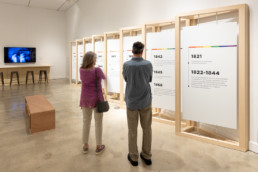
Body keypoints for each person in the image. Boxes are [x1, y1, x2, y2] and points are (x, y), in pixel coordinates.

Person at [123, 42, 153, 166]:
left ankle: (134, 157)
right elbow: (150, 79)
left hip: (131, 101)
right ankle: (146, 156)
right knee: (147, 129)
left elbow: (126, 79)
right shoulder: (148, 64)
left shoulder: (127, 65)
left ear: (132, 50)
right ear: (142, 51)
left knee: (132, 130)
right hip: (145, 100)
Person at [80, 51, 106, 155]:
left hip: (85, 99)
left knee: (86, 122)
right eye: (95, 58)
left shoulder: (81, 70)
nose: (96, 60)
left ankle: (85, 146)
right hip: (97, 100)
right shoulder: (97, 70)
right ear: (92, 60)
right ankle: (98, 146)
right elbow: (104, 77)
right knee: (98, 122)